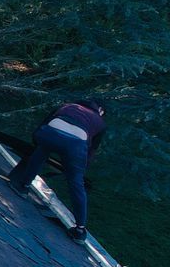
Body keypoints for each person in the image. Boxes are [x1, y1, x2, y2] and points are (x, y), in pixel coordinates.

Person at [8, 101, 106, 240]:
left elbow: (42, 125)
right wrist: (78, 168)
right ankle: (79, 230)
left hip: (49, 134)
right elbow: (91, 151)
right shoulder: (100, 122)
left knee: (40, 152)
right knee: (76, 183)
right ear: (100, 109)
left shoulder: (68, 106)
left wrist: (37, 143)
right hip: (75, 145)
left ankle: (23, 186)